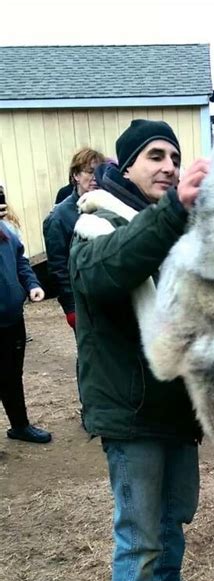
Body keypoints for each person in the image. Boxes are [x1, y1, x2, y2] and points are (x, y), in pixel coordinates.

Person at [69, 119, 214, 581]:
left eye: (176, 157)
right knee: (138, 528)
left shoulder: (172, 225)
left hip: (176, 403)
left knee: (177, 509)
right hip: (131, 407)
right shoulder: (96, 217)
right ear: (127, 163)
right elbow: (107, 270)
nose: (169, 166)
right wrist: (175, 211)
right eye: (155, 155)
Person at [0, 215, 51, 444]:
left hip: (12, 318)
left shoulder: (5, 229)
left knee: (12, 375)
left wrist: (32, 284)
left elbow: (20, 260)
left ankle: (19, 426)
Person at [43, 147, 106, 332]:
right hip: (81, 303)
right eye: (89, 171)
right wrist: (71, 307)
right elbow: (58, 267)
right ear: (76, 175)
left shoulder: (107, 207)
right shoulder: (58, 217)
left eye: (99, 172)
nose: (95, 177)